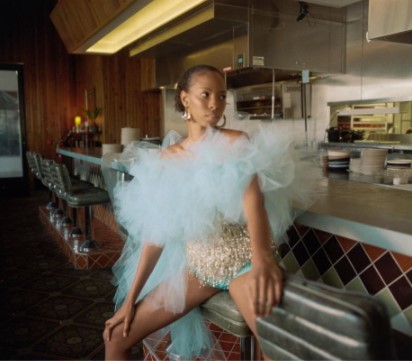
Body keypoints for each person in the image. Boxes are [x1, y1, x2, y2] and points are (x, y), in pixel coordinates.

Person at [103, 64, 315, 360]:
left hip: (245, 264)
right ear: (185, 98)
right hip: (199, 270)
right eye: (206, 94)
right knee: (115, 338)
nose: (215, 103)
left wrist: (263, 260)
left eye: (222, 95)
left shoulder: (236, 142)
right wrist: (130, 299)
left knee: (275, 351)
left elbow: (253, 204)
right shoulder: (166, 159)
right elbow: (156, 234)